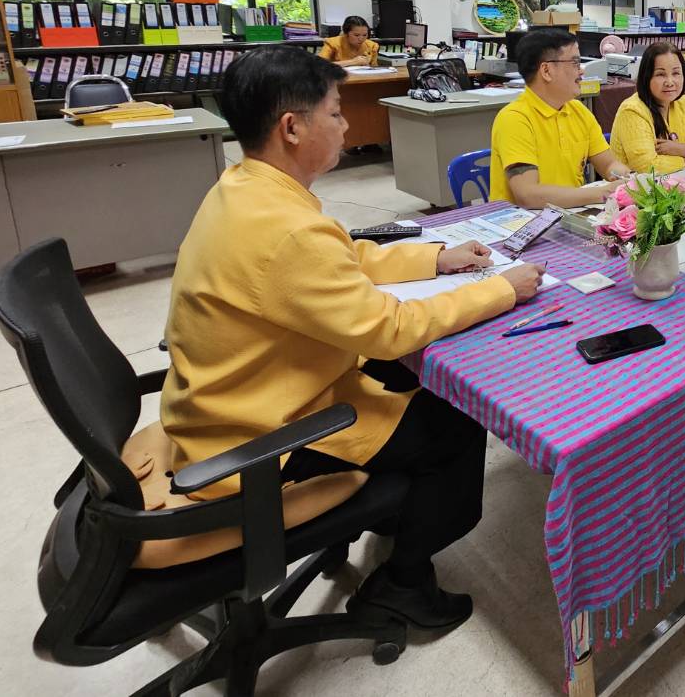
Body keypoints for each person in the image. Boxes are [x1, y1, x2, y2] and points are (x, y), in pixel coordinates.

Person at [161, 47, 545, 633]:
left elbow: (339, 257)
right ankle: (403, 583)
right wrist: (501, 291)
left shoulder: (245, 188)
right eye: (336, 114)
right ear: (292, 127)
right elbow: (390, 328)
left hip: (238, 396)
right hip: (263, 437)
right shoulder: (284, 228)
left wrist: (435, 258)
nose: (345, 127)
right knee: (459, 426)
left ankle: (395, 517)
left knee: (411, 381)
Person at [489, 28, 631, 206]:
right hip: (521, 223)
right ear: (546, 71)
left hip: (567, 215)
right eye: (575, 64)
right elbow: (528, 195)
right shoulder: (514, 119)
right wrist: (601, 193)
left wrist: (618, 172)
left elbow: (608, 164)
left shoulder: (579, 111)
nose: (581, 72)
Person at [610, 42, 685, 174]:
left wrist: (678, 149)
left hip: (680, 182)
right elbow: (647, 167)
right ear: (647, 77)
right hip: (638, 191)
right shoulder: (632, 110)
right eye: (660, 75)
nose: (670, 82)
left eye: (676, 73)